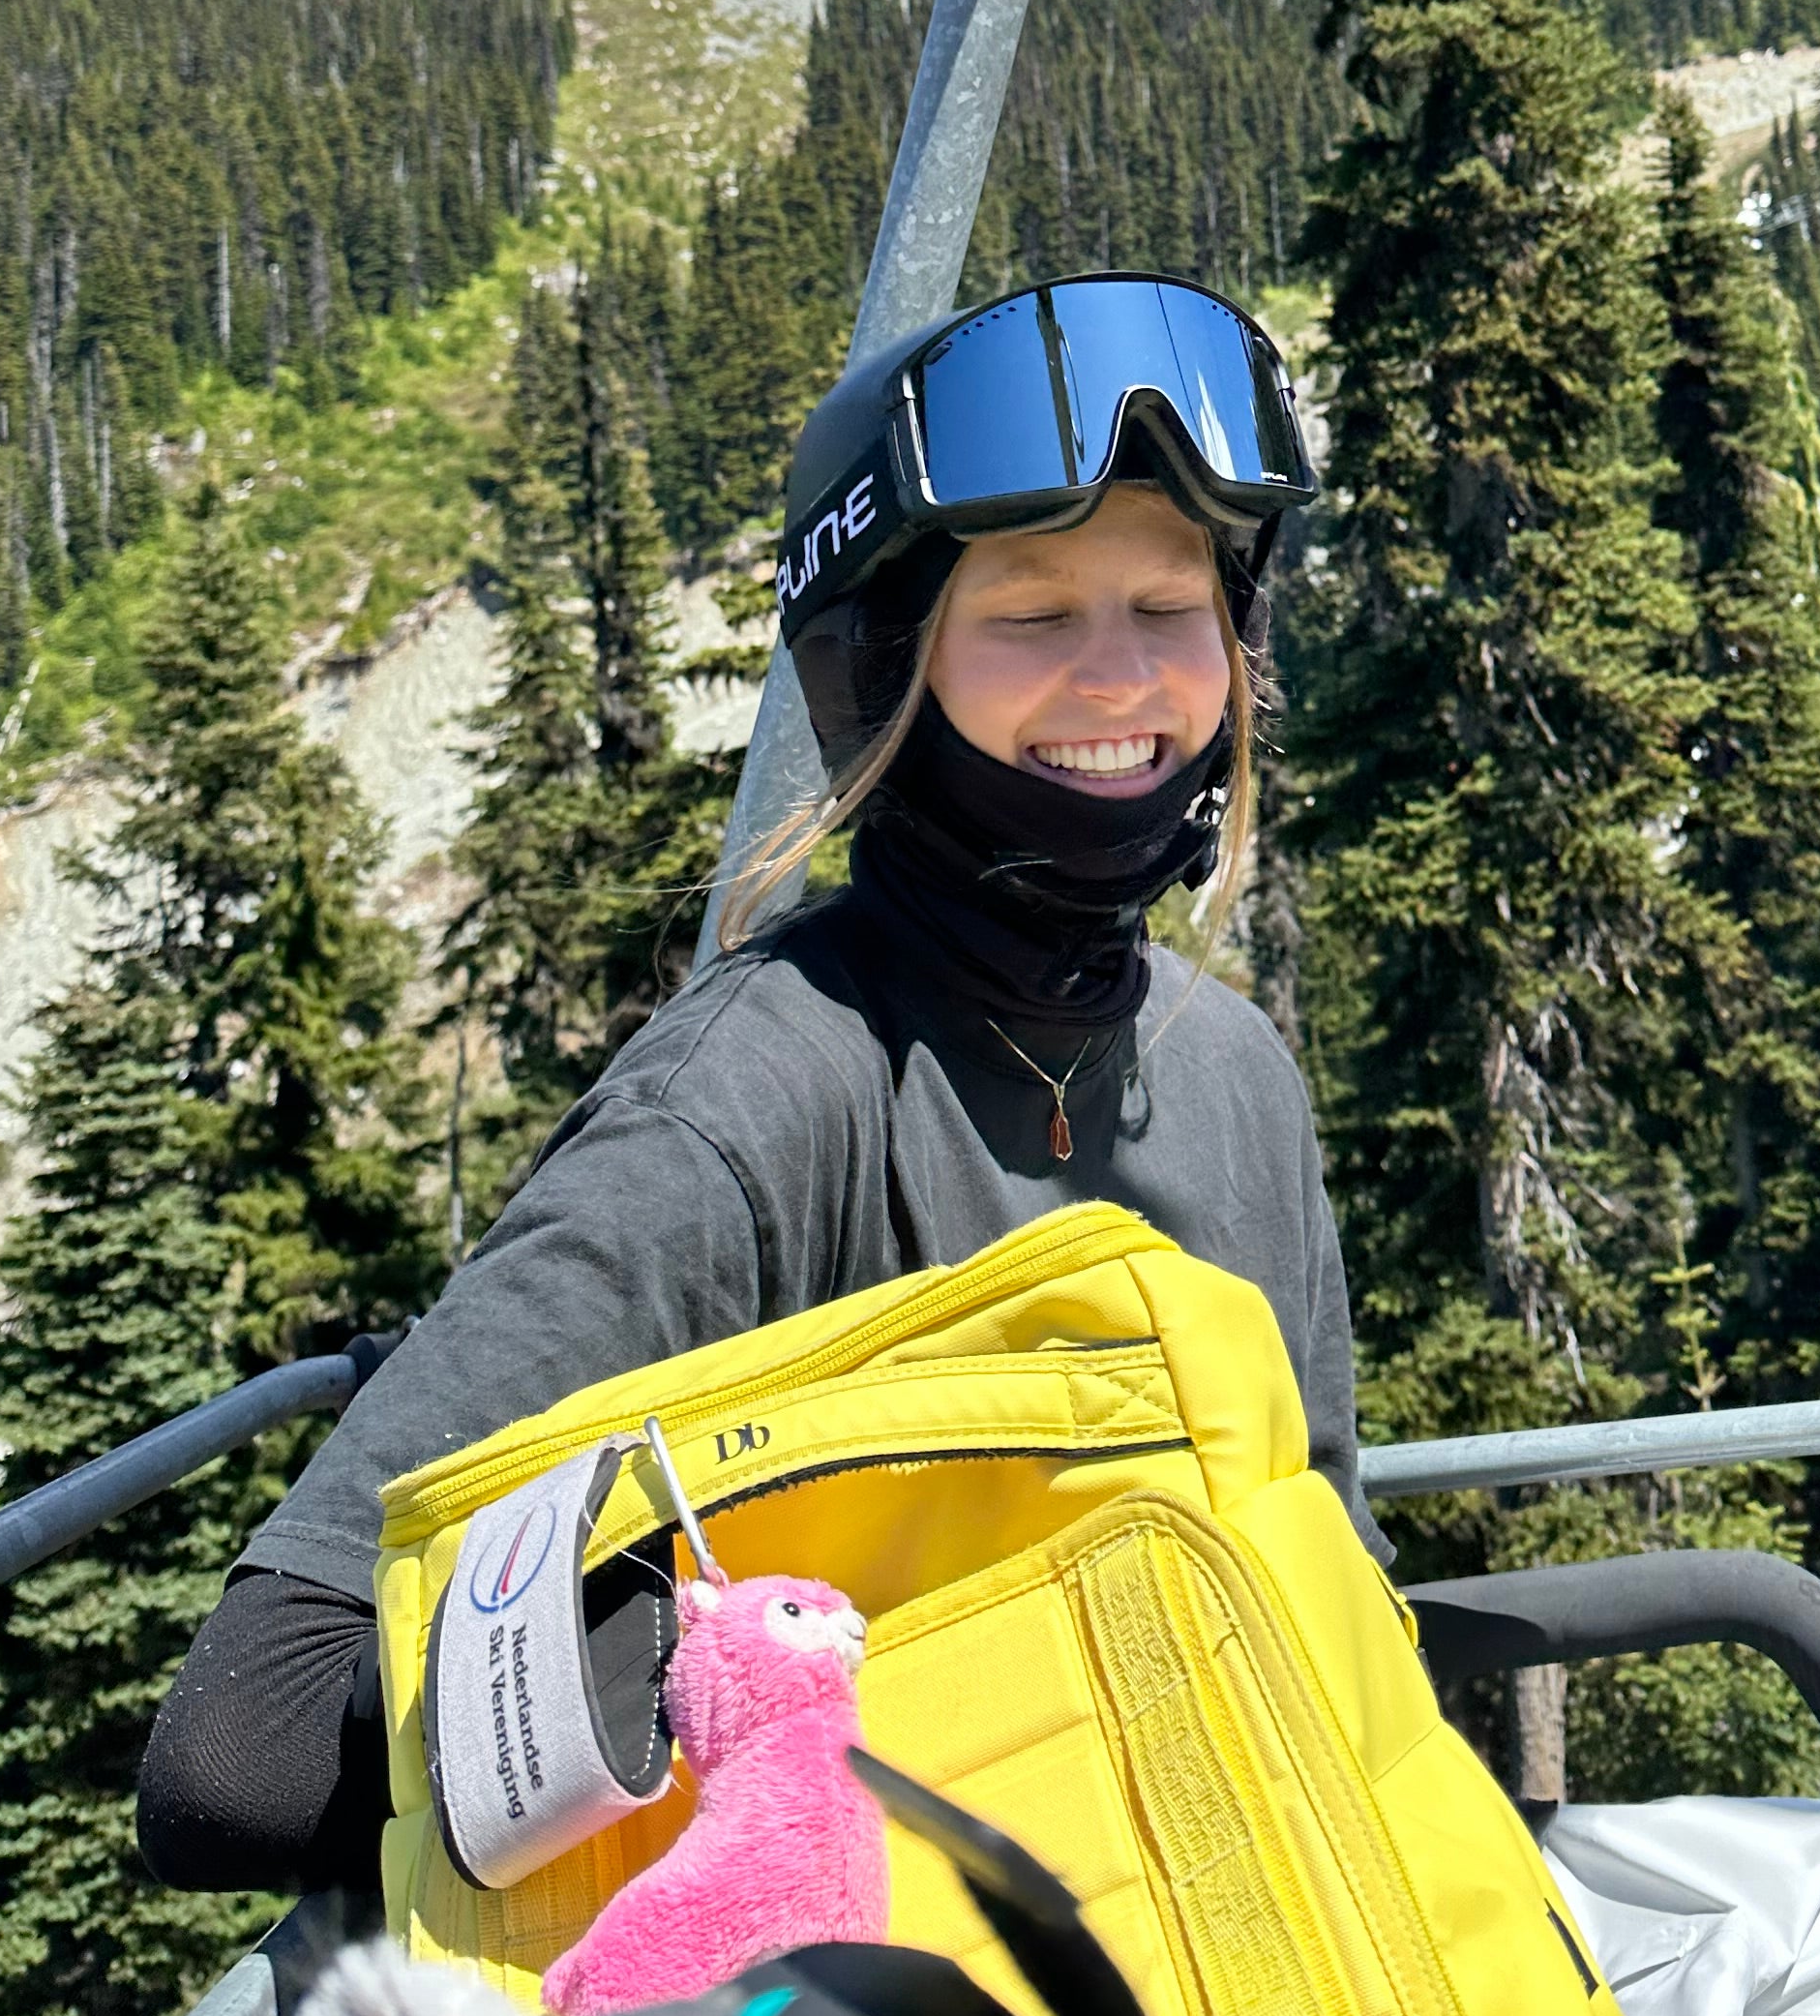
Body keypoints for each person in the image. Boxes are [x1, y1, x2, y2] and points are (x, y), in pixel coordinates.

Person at [138, 272, 1367, 1900]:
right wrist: (734, 1698)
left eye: (1171, 606)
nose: (1124, 680)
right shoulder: (756, 1104)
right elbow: (244, 1743)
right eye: (1029, 614)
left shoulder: (1235, 1080)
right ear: (888, 670)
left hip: (1204, 1955)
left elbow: (1330, 1588)